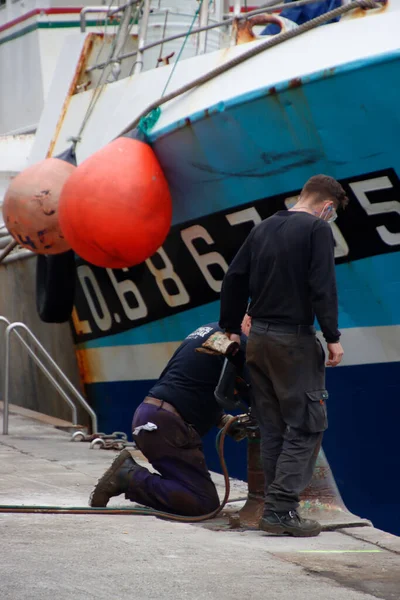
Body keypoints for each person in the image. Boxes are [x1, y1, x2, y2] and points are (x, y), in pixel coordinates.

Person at [219, 174, 348, 537]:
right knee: (307, 425)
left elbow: (233, 277)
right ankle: (280, 511)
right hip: (293, 342)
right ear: (326, 206)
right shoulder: (317, 230)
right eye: (333, 212)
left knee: (273, 427)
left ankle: (273, 510)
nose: (331, 218)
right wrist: (332, 336)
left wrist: (230, 325)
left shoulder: (264, 227)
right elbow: (323, 285)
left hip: (258, 340)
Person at [89, 319, 251, 516]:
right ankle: (130, 477)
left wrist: (222, 420)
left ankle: (131, 476)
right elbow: (257, 396)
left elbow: (196, 381)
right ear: (250, 321)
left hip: (153, 416)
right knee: (203, 504)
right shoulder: (237, 343)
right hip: (166, 425)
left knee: (196, 494)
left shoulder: (211, 331)